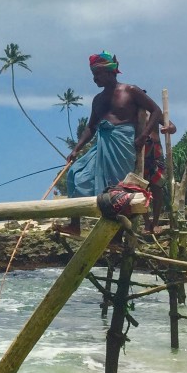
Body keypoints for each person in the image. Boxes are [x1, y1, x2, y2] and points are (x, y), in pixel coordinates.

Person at [63, 51, 167, 235]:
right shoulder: (98, 100)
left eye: (98, 75)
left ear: (111, 72)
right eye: (93, 76)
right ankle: (75, 225)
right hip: (103, 144)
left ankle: (117, 236)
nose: (95, 80)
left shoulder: (131, 91)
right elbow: (91, 127)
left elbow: (156, 111)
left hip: (124, 143)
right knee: (74, 174)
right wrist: (76, 149)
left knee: (117, 189)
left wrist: (143, 136)